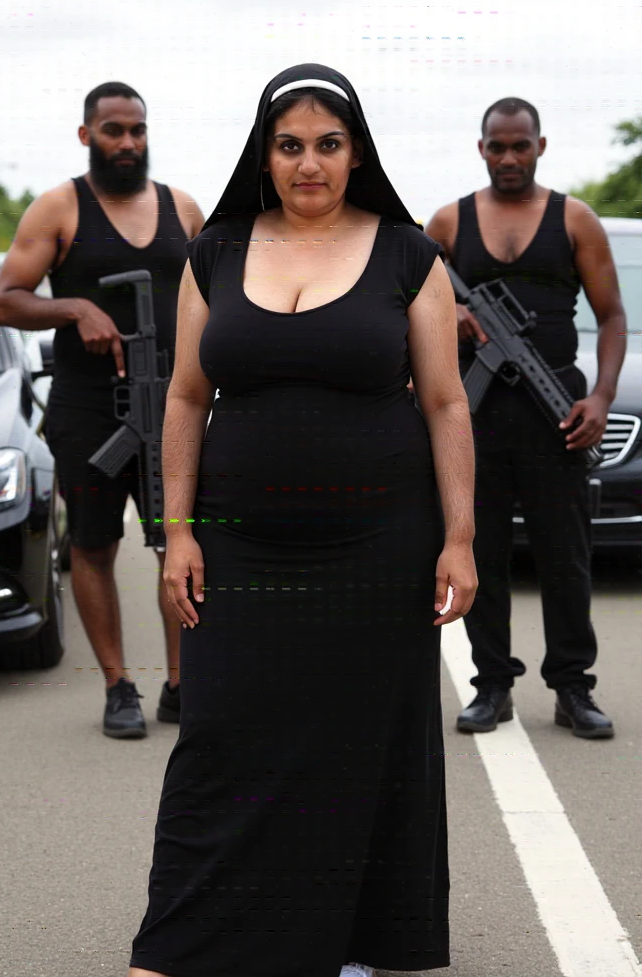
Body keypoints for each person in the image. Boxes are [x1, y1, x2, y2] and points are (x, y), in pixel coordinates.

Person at [127, 63, 477, 977]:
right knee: (221, 736)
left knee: (359, 743)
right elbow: (185, 396)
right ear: (265, 153)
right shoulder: (218, 251)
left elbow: (444, 403)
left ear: (355, 154)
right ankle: (185, 941)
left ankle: (349, 944)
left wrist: (461, 537)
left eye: (328, 144)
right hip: (238, 543)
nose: (309, 163)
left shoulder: (408, 255)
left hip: (377, 544)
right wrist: (180, 529)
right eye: (290, 145)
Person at [0, 81, 204, 738]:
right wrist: (73, 307)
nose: (128, 143)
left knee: (181, 540)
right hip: (88, 406)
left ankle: (181, 685)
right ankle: (117, 687)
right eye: (114, 130)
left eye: (137, 130)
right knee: (93, 542)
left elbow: (215, 298)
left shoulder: (183, 209)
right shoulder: (58, 208)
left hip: (172, 403)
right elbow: (5, 300)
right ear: (87, 136)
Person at [425, 96, 626, 740]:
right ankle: (492, 688)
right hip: (473, 417)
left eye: (520, 145)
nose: (508, 157)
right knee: (480, 550)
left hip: (557, 413)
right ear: (480, 148)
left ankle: (573, 689)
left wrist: (600, 399)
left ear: (541, 146)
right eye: (496, 146)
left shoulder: (577, 220)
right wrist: (446, 315)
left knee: (566, 558)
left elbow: (614, 317)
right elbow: (406, 302)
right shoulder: (449, 223)